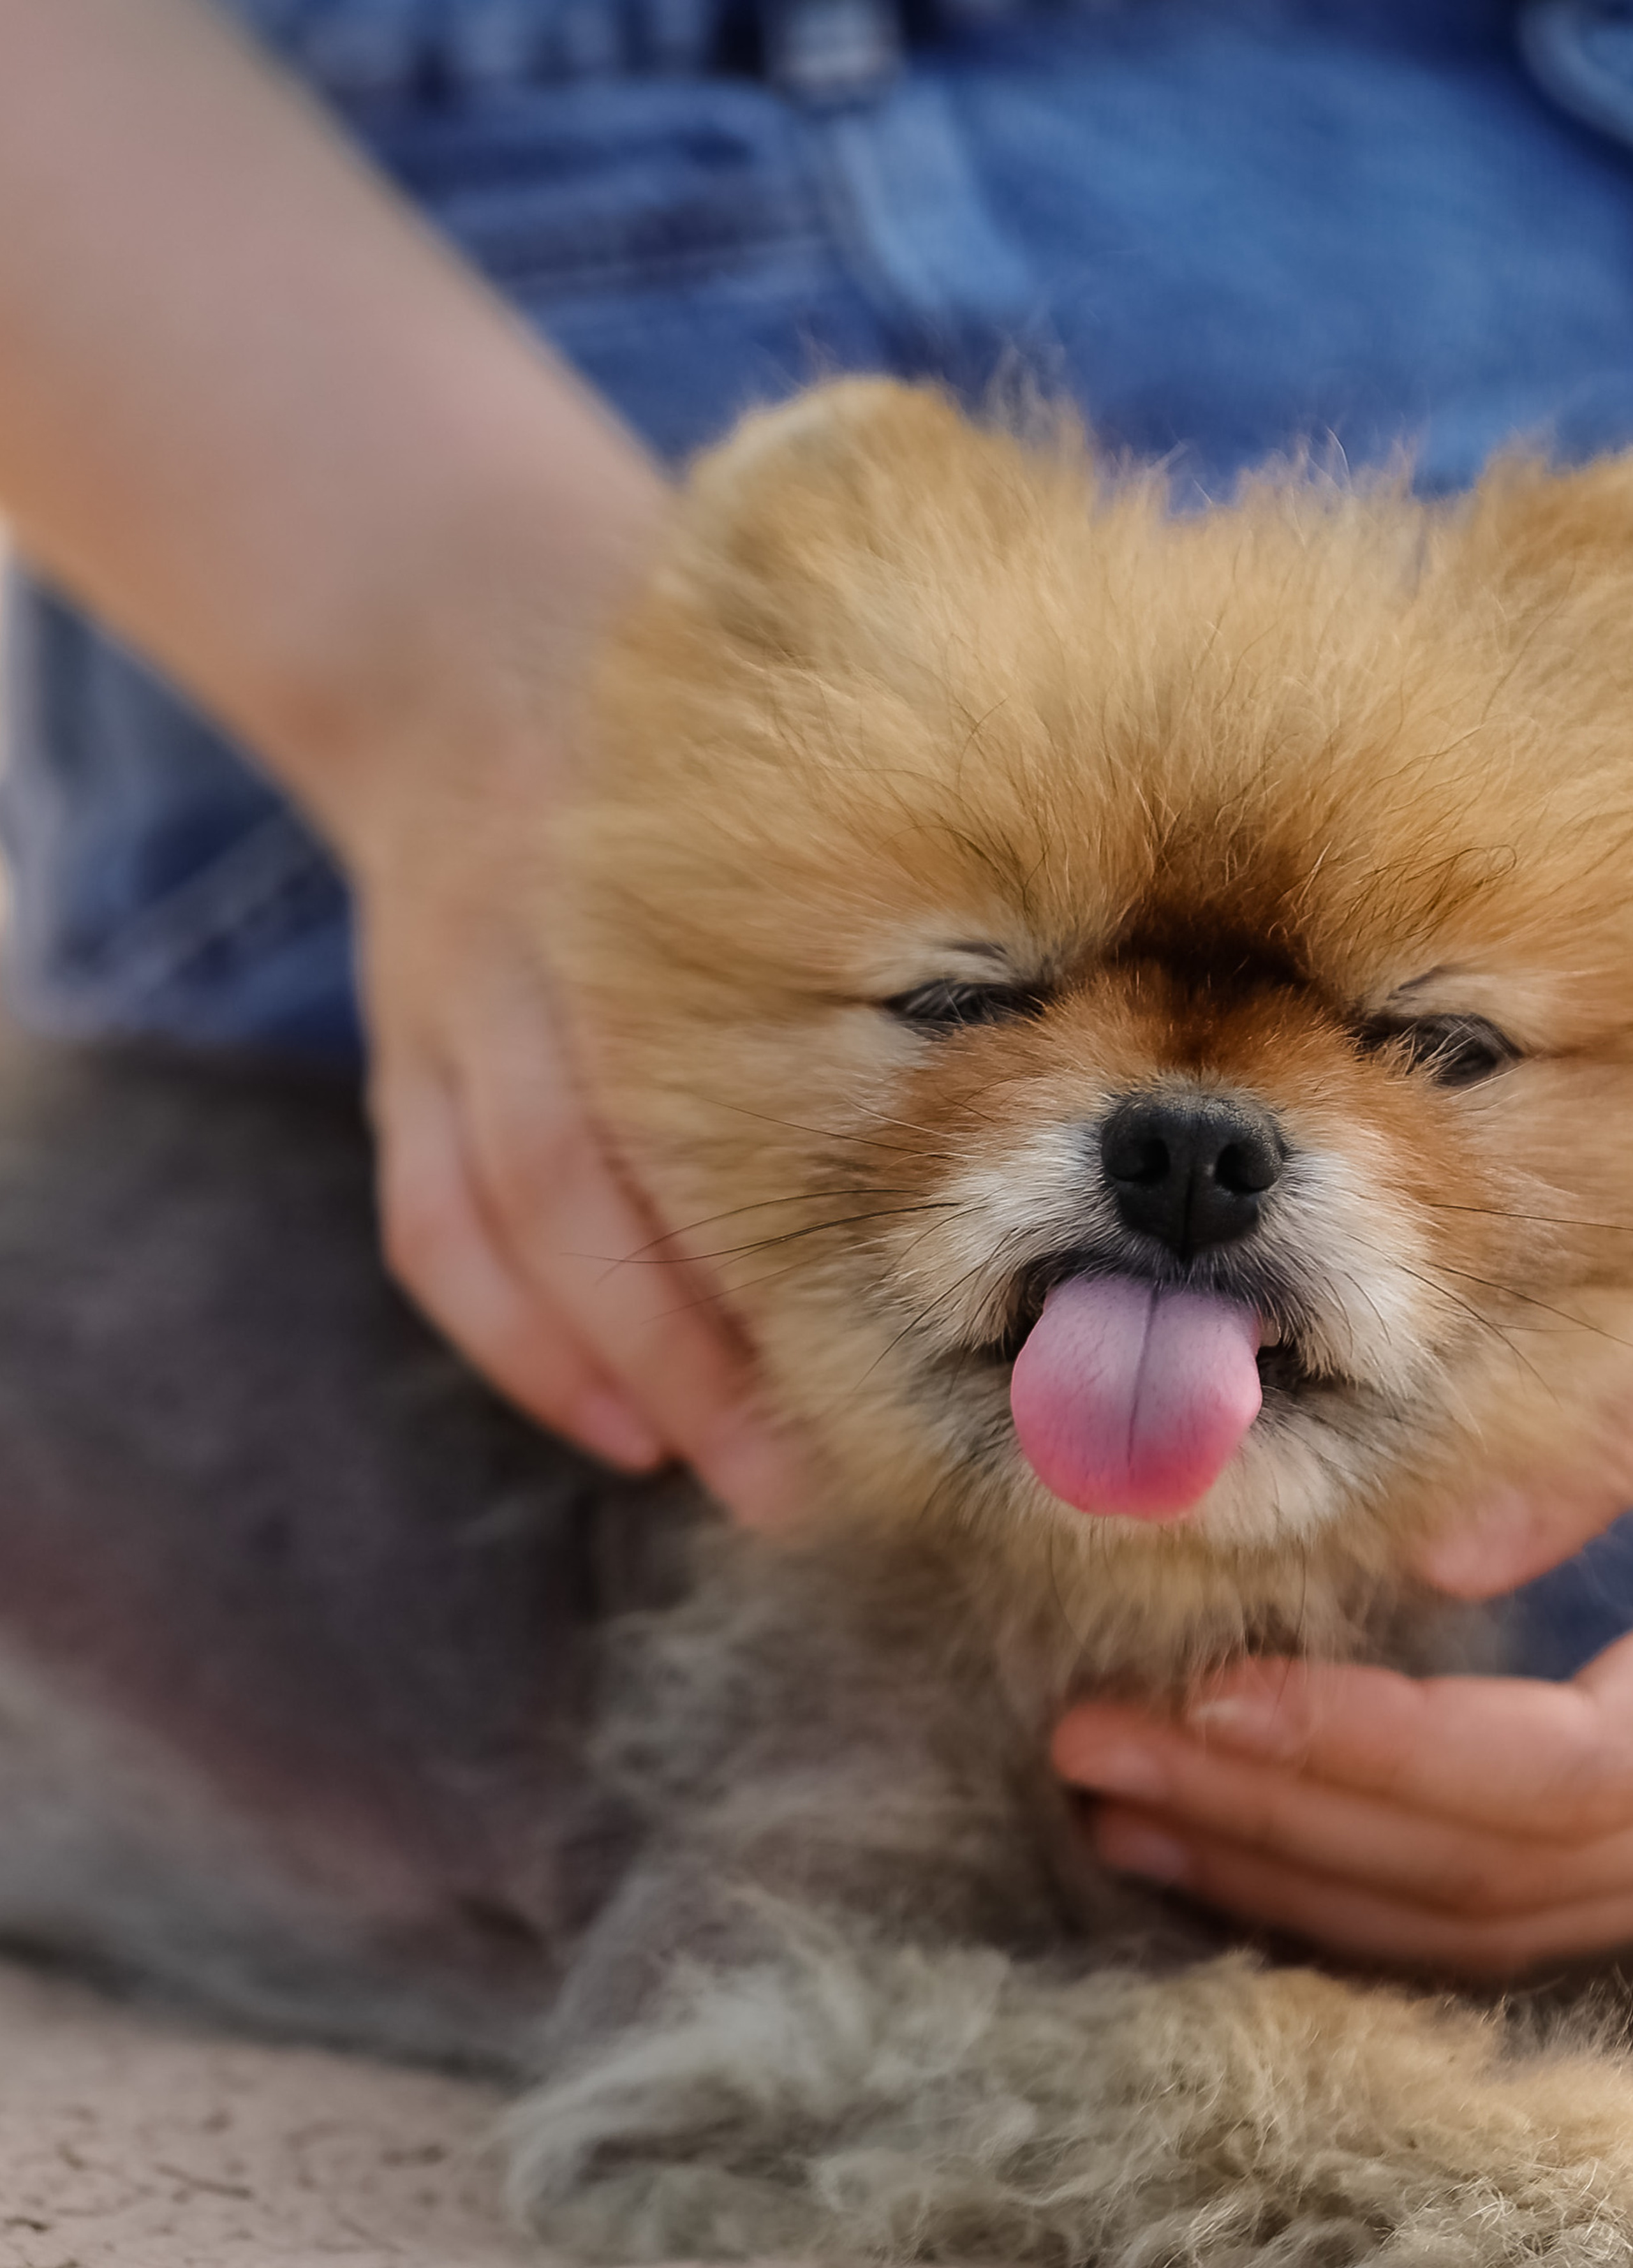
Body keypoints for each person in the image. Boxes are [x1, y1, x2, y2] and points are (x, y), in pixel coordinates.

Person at [6, 0, 1633, 1978]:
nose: (1205, 1138)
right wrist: (460, 671)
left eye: (1436, 1044)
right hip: (427, 499)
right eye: (971, 1002)